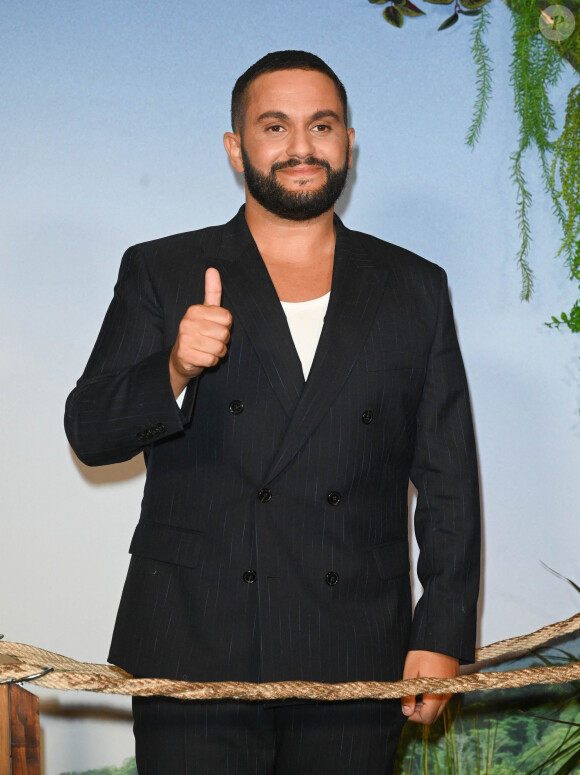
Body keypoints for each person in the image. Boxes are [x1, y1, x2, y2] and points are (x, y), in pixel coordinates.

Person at [65, 50, 480, 775]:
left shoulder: (414, 285)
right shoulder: (162, 269)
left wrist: (441, 629)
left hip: (356, 650)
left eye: (322, 125)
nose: (301, 147)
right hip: (193, 647)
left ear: (348, 140)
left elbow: (448, 478)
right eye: (274, 126)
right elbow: (91, 432)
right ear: (236, 148)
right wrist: (174, 367)